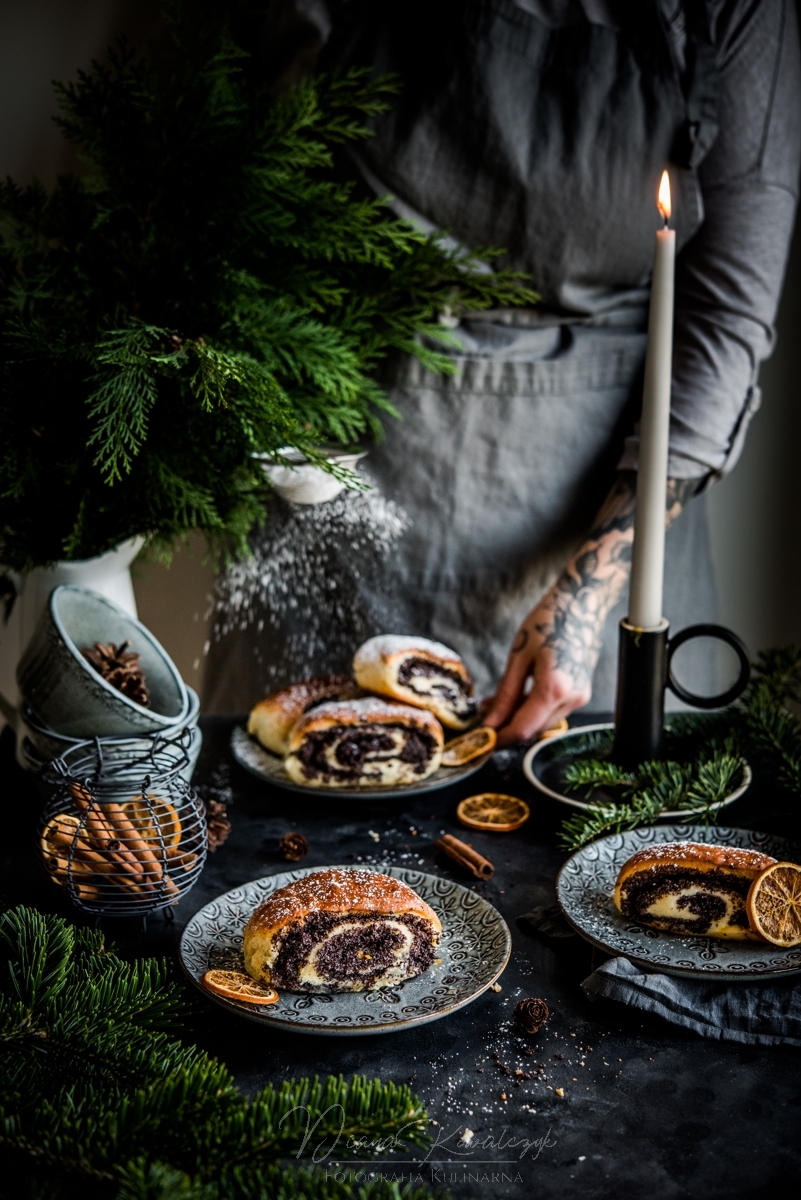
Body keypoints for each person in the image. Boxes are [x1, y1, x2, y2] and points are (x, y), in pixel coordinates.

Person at [204, 0, 800, 746]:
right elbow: (231, 179)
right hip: (349, 442)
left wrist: (587, 600)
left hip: (607, 485)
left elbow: (727, 313)